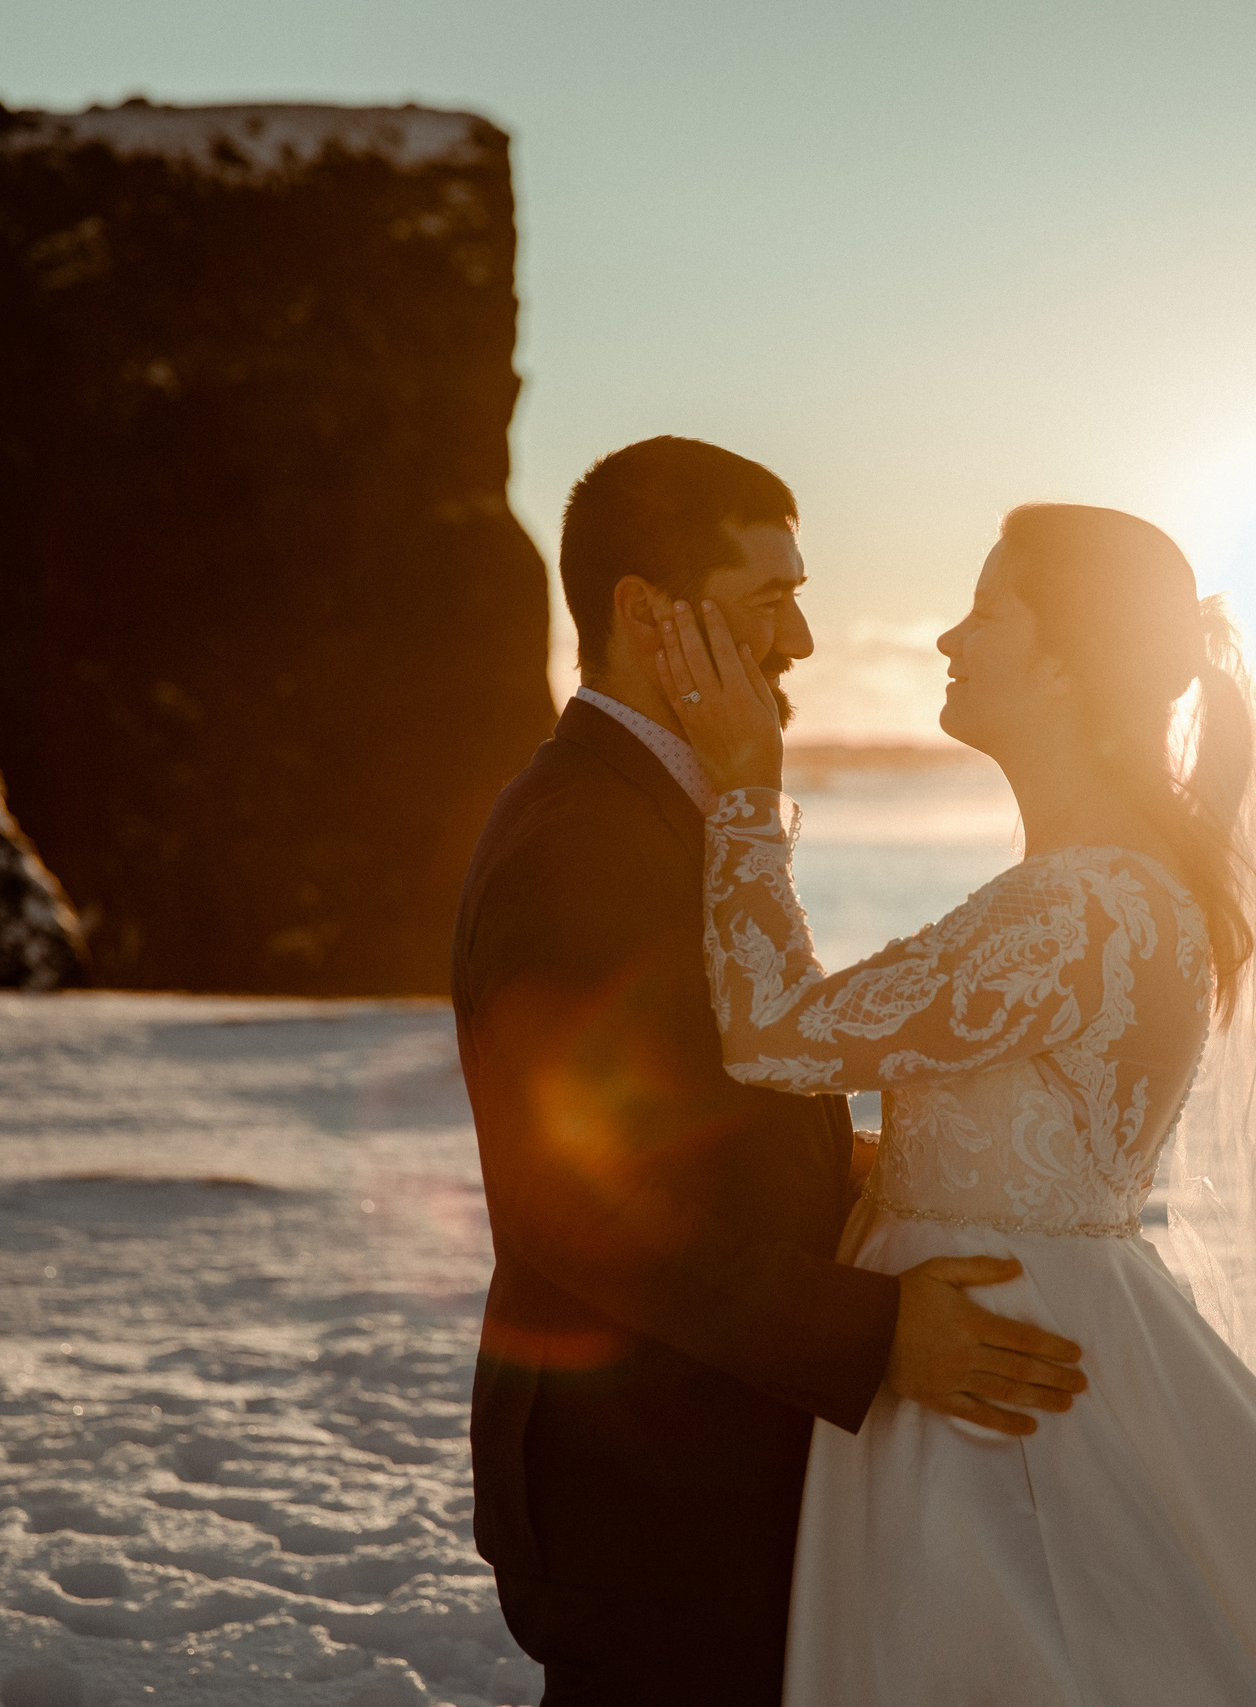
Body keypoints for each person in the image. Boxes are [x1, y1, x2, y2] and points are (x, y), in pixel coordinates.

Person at [656, 503, 1256, 1704]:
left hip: (987, 1378)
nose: (950, 637)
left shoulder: (1074, 908)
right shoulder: (1119, 887)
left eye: (989, 609)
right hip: (1032, 1318)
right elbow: (990, 1120)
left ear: (1069, 664)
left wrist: (745, 796)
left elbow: (770, 1035)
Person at [451, 438, 1090, 1704]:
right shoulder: (579, 837)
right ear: (645, 614)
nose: (799, 640)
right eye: (767, 601)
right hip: (644, 1497)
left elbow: (708, 1122)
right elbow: (565, 1200)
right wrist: (873, 1334)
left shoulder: (671, 809)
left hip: (707, 1468)